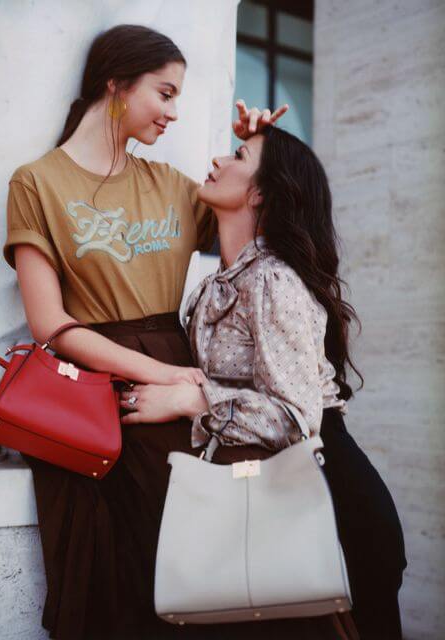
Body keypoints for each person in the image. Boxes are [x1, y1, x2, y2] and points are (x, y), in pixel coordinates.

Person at [3, 24, 289, 640]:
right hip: (95, 393)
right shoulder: (37, 183)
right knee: (108, 580)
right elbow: (50, 323)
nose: (174, 112)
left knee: (194, 562)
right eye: (165, 93)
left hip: (175, 400)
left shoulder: (172, 187)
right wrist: (164, 375)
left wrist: (258, 153)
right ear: (116, 85)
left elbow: (255, 243)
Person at [121, 128, 408, 640]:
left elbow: (297, 419)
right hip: (277, 488)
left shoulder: (274, 280)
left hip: (334, 501)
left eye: (237, 155)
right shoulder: (217, 285)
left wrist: (195, 399)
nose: (216, 160)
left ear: (258, 193)